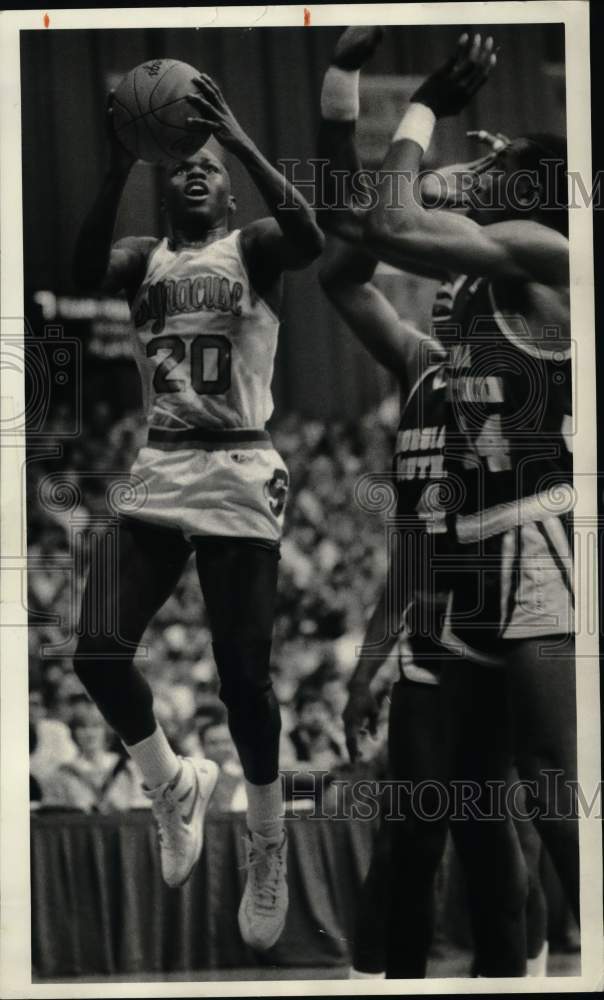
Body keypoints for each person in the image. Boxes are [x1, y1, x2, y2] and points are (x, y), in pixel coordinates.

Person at [317, 27, 552, 977]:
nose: (444, 293)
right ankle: (390, 977)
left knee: (502, 824)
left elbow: (382, 229)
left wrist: (407, 124)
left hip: (525, 597)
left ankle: (527, 969)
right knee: (417, 825)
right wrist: (371, 657)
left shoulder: (538, 306)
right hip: (436, 615)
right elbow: (346, 259)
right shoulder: (421, 366)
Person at [72, 71, 323, 950]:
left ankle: (266, 838)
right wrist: (115, 166)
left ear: (226, 184)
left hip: (240, 463)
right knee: (96, 650)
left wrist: (242, 138)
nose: (197, 174)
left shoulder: (252, 246)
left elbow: (310, 235)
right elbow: (71, 282)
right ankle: (173, 784)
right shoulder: (145, 257)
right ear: (161, 171)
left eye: (210, 167)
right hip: (161, 462)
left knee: (244, 682)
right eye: (184, 163)